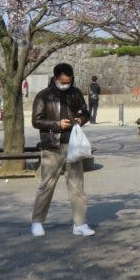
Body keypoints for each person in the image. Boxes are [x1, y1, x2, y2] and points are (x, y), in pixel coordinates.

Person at [30, 62, 94, 238]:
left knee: (77, 186)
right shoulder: (44, 96)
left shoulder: (75, 93)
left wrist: (81, 119)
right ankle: (37, 222)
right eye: (62, 81)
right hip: (52, 145)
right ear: (56, 78)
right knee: (47, 185)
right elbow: (36, 121)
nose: (66, 84)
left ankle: (80, 224)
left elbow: (85, 112)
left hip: (73, 145)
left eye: (69, 81)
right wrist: (56, 124)